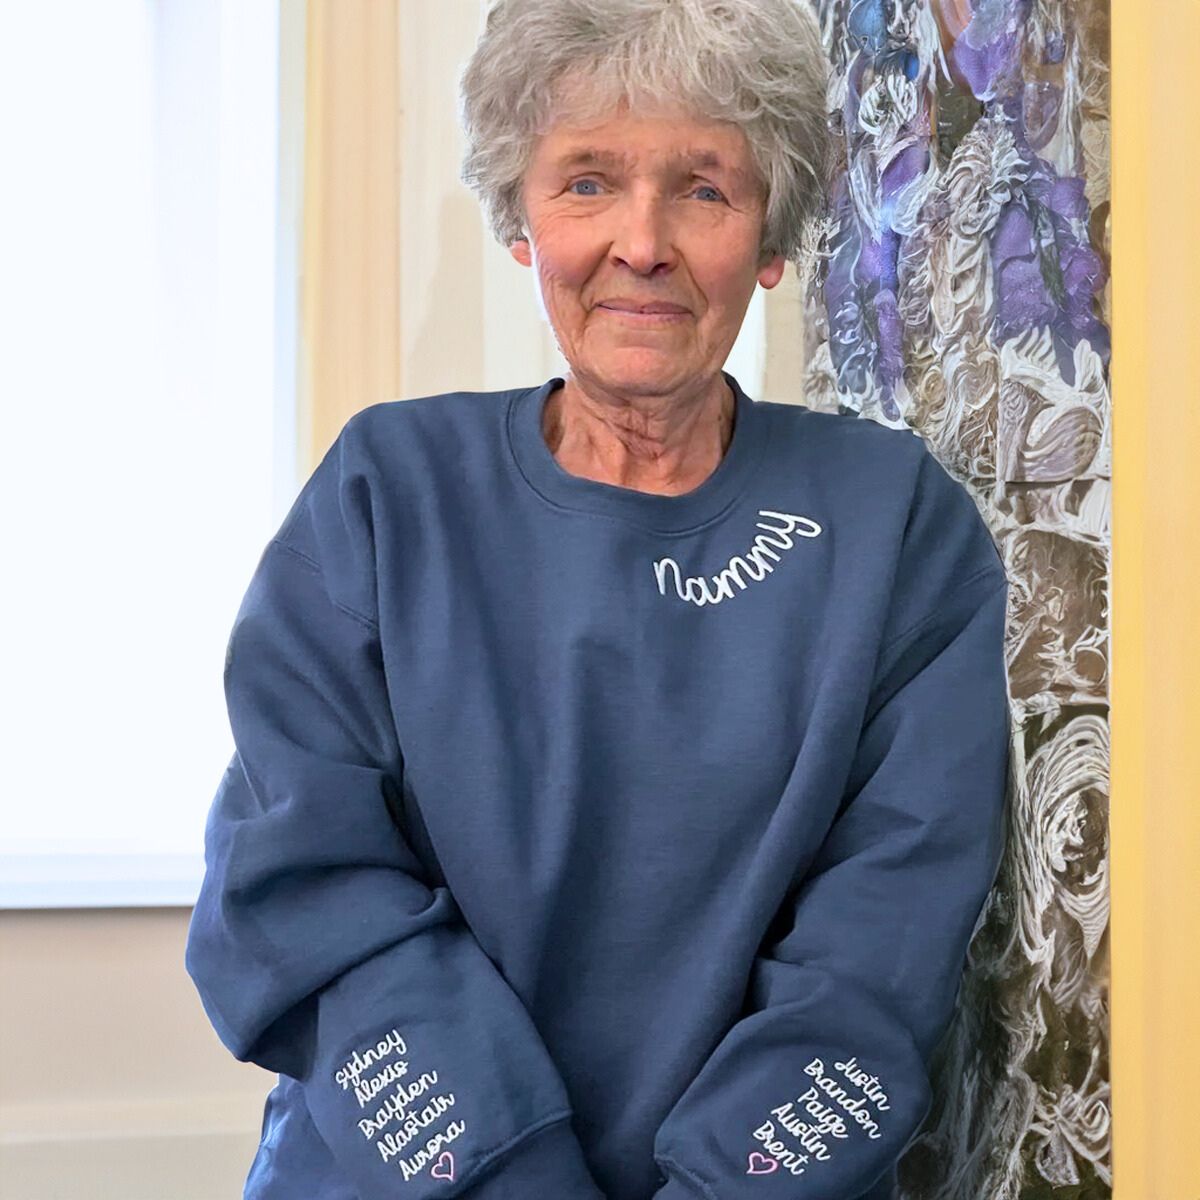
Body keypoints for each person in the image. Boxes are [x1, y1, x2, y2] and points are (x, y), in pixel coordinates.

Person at [185, 1, 1012, 1198]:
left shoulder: (894, 526)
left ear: (771, 239)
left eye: (705, 189)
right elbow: (304, 893)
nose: (642, 242)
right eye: (586, 182)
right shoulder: (383, 496)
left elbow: (881, 949)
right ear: (522, 221)